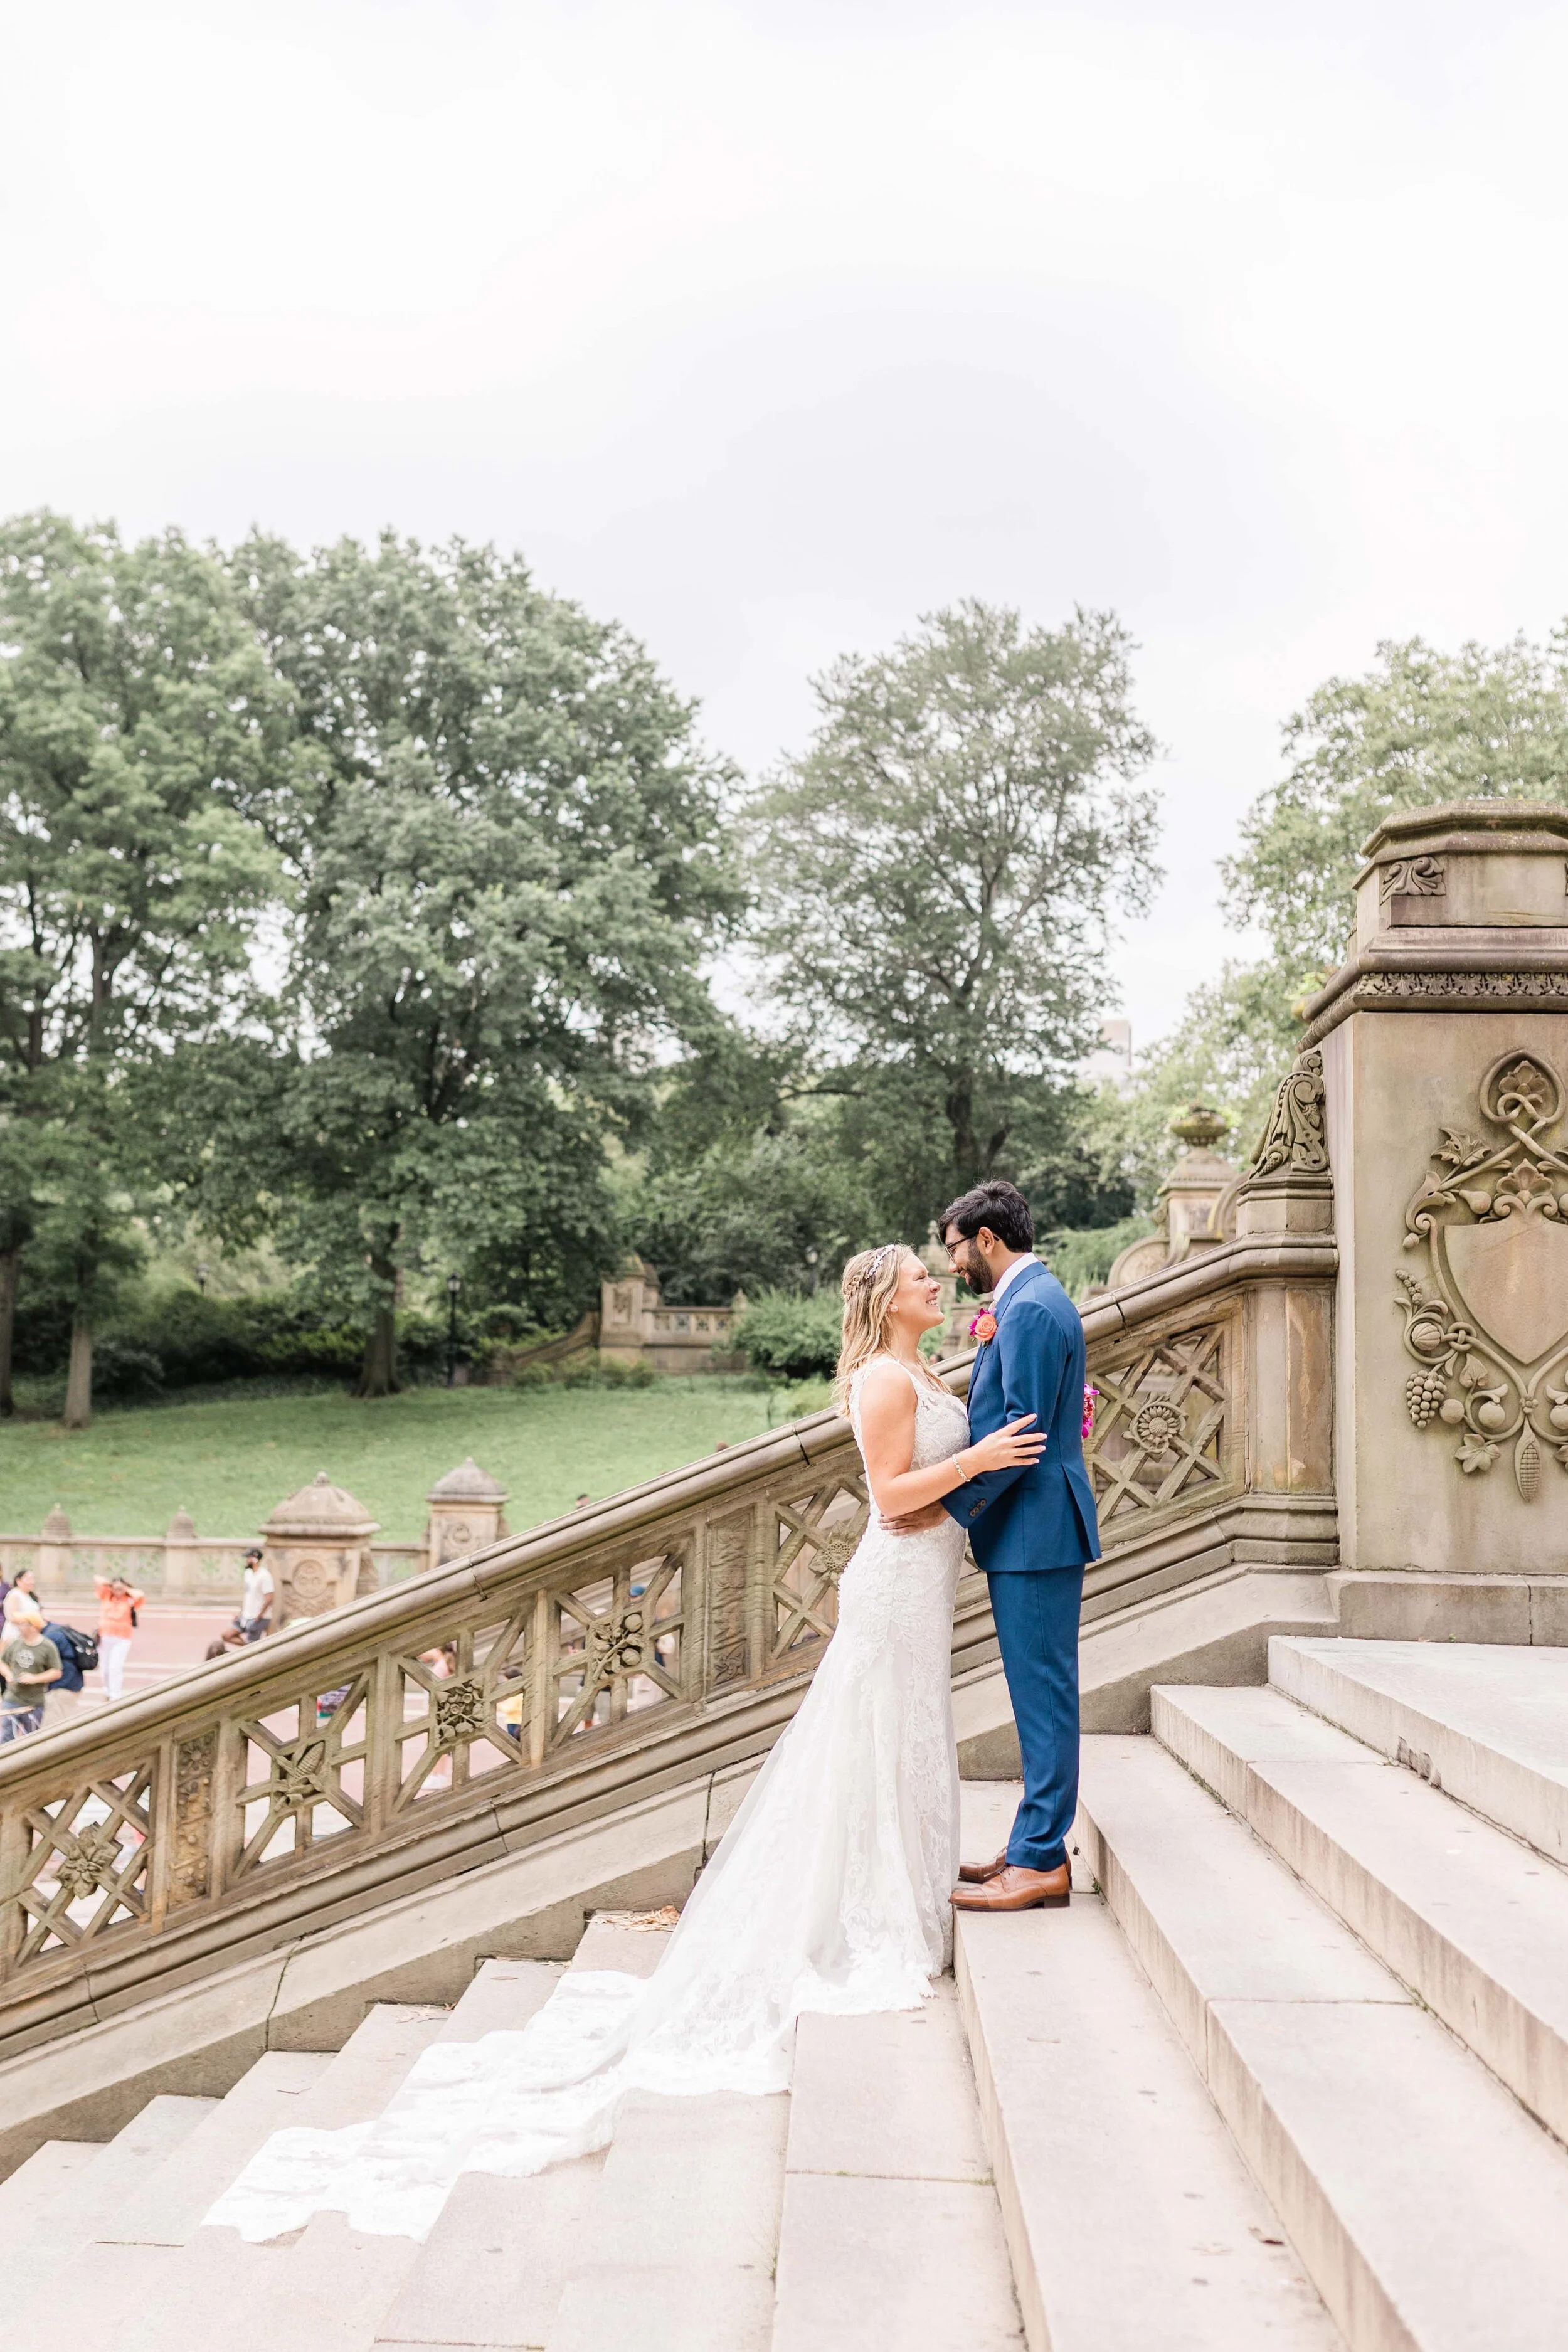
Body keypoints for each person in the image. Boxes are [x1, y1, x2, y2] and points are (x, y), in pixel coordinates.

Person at [206, 1242, 1045, 2244]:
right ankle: (875, 1908)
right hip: (895, 1581)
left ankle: (897, 1884)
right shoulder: (882, 1378)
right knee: (874, 1738)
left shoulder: (922, 1369)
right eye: (918, 1277)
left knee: (897, 1738)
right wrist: (980, 1461)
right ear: (883, 1298)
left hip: (924, 1585)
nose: (934, 1283)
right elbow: (894, 1495)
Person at [937, 1180, 1101, 1916]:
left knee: (1044, 1699)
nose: (951, 1265)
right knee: (1039, 1695)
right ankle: (1033, 1845)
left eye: (954, 1248)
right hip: (1032, 1530)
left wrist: (952, 1508)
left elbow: (1021, 1436)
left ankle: (1039, 1861)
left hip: (1036, 1529)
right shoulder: (1027, 1301)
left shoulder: (1030, 1308)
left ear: (987, 1238)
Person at [1, 1608, 62, 1740]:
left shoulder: (48, 1646)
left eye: (22, 1624)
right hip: (12, 1699)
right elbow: (2, 1662)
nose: (19, 1627)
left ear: (33, 1627)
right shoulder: (16, 1643)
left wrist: (35, 1678)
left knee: (31, 1738)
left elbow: (57, 1672)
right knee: (6, 1738)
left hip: (34, 1703)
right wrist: (8, 1674)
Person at [94, 1572, 146, 1703]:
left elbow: (140, 1595)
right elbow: (97, 1578)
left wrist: (125, 1589)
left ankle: (115, 1695)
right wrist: (112, 1586)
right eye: (116, 1589)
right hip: (105, 1636)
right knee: (105, 1668)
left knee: (115, 1667)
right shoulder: (107, 1595)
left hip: (122, 1638)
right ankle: (107, 1691)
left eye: (120, 1589)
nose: (118, 1592)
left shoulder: (130, 1599)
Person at [237, 1547, 273, 1641]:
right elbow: (247, 1595)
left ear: (255, 1559)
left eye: (248, 1558)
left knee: (252, 1641)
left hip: (259, 1617)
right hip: (246, 1615)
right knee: (228, 1634)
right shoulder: (248, 1573)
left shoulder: (265, 1575)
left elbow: (269, 1599)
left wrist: (259, 1616)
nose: (246, 1561)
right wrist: (241, 1612)